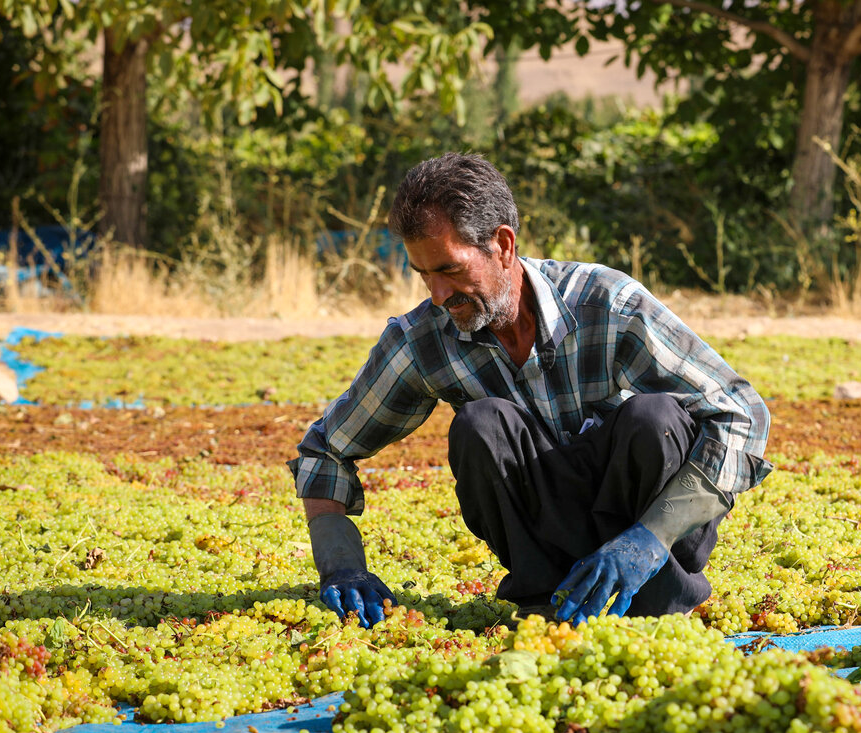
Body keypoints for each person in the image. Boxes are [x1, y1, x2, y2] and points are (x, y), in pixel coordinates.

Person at [288, 153, 772, 628]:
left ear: (503, 245)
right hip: (545, 545)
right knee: (481, 425)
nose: (438, 295)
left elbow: (742, 414)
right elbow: (325, 451)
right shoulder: (422, 341)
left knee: (656, 419)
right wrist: (341, 565)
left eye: (450, 270)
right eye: (424, 275)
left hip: (646, 531)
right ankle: (545, 605)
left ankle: (661, 603)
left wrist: (652, 535)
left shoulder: (608, 304)